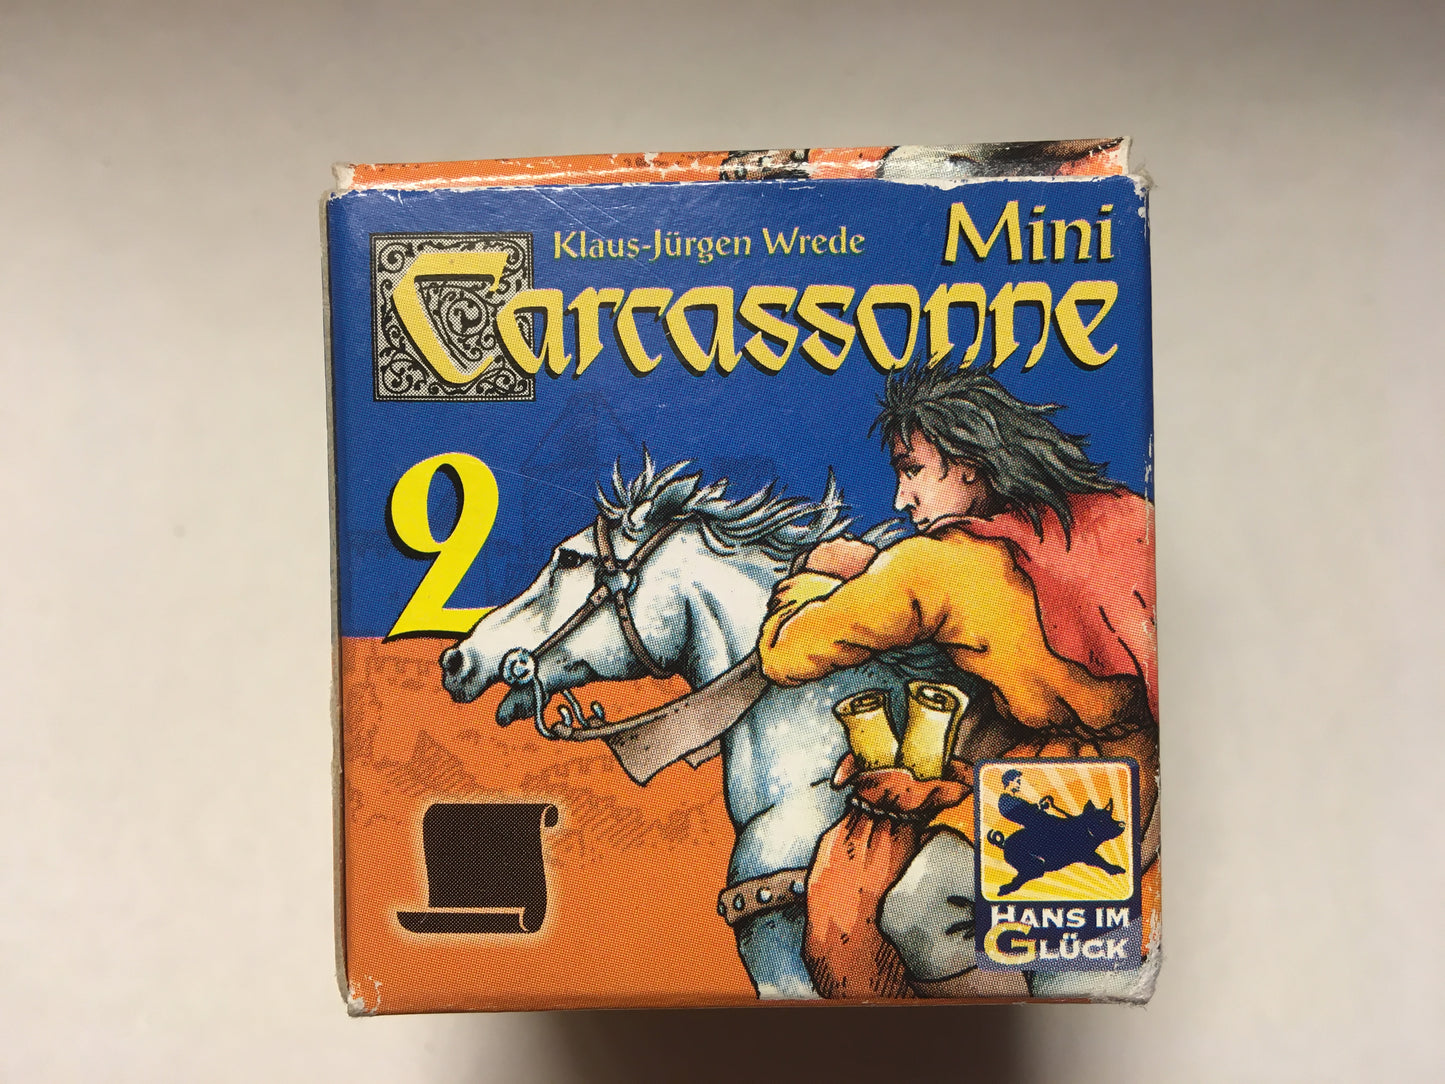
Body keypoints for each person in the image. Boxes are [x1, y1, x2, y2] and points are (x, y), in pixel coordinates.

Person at [757, 361, 1159, 998]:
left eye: (912, 469)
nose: (901, 499)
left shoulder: (935, 567)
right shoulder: (1111, 518)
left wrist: (816, 574)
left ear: (968, 463)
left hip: (1093, 798)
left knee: (917, 914)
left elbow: (784, 652)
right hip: (1137, 770)